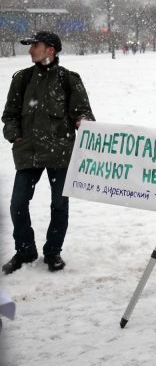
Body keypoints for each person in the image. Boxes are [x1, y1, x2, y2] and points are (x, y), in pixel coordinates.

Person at [2, 31, 94, 274]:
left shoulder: (68, 79)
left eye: (35, 45)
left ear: (50, 50)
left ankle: (53, 253)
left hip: (60, 153)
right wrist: (15, 134)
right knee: (17, 204)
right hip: (28, 152)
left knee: (59, 205)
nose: (30, 50)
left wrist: (82, 121)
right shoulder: (22, 79)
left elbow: (83, 111)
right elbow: (9, 115)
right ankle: (25, 251)